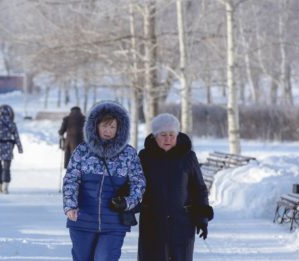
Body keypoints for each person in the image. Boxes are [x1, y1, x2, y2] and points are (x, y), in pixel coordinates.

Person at [62, 101, 146, 261]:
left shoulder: (128, 154)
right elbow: (71, 179)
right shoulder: (82, 150)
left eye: (112, 127)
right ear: (95, 126)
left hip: (114, 224)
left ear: (119, 129)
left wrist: (127, 202)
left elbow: (139, 183)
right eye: (104, 126)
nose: (108, 131)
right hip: (82, 220)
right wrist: (70, 205)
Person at [137, 113, 214, 261]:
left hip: (182, 224)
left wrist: (202, 218)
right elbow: (134, 185)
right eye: (163, 135)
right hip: (153, 223)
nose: (168, 139)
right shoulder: (145, 157)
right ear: (155, 136)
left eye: (172, 135)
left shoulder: (188, 157)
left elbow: (199, 189)